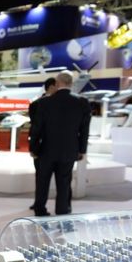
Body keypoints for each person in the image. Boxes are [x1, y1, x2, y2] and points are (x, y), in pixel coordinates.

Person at [30, 71, 91, 216]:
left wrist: (33, 148)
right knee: (64, 183)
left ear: (57, 84)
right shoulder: (82, 102)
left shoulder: (45, 102)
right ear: (71, 83)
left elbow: (37, 128)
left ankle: (40, 209)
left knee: (42, 181)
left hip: (46, 150)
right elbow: (84, 129)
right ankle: (62, 212)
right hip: (69, 150)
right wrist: (82, 150)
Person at [28, 77, 57, 210]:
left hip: (57, 148)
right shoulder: (36, 104)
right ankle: (38, 203)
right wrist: (33, 148)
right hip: (41, 147)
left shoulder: (60, 103)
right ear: (51, 87)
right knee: (40, 177)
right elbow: (35, 128)